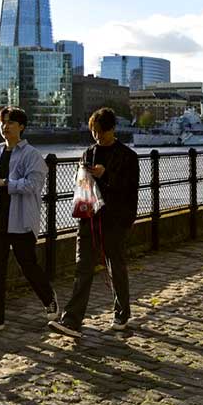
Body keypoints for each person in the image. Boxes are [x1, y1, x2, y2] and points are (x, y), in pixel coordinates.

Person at [49, 107, 140, 338]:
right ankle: (71, 320)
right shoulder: (88, 153)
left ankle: (122, 313)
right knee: (83, 268)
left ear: (112, 129)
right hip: (89, 218)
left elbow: (129, 188)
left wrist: (105, 175)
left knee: (116, 266)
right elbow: (82, 185)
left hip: (115, 220)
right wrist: (83, 175)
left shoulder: (128, 156)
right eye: (93, 132)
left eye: (101, 132)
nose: (97, 136)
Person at [0, 106, 57, 332]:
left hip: (21, 220)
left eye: (9, 123)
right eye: (2, 122)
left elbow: (34, 185)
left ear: (22, 127)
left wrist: (5, 183)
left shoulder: (32, 155)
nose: (4, 127)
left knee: (28, 266)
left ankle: (49, 299)